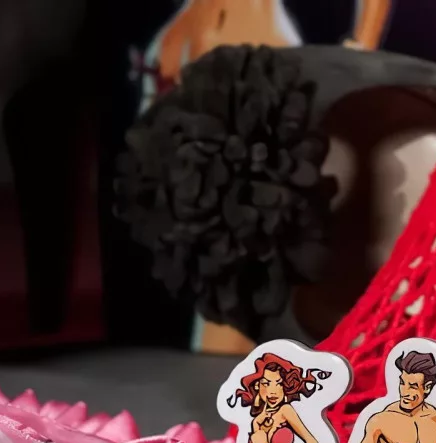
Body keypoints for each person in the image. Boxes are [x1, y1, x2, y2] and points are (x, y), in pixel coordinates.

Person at [129, 0, 396, 354]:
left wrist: (362, 47)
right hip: (189, 67)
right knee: (219, 285)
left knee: (241, 281)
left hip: (248, 63)